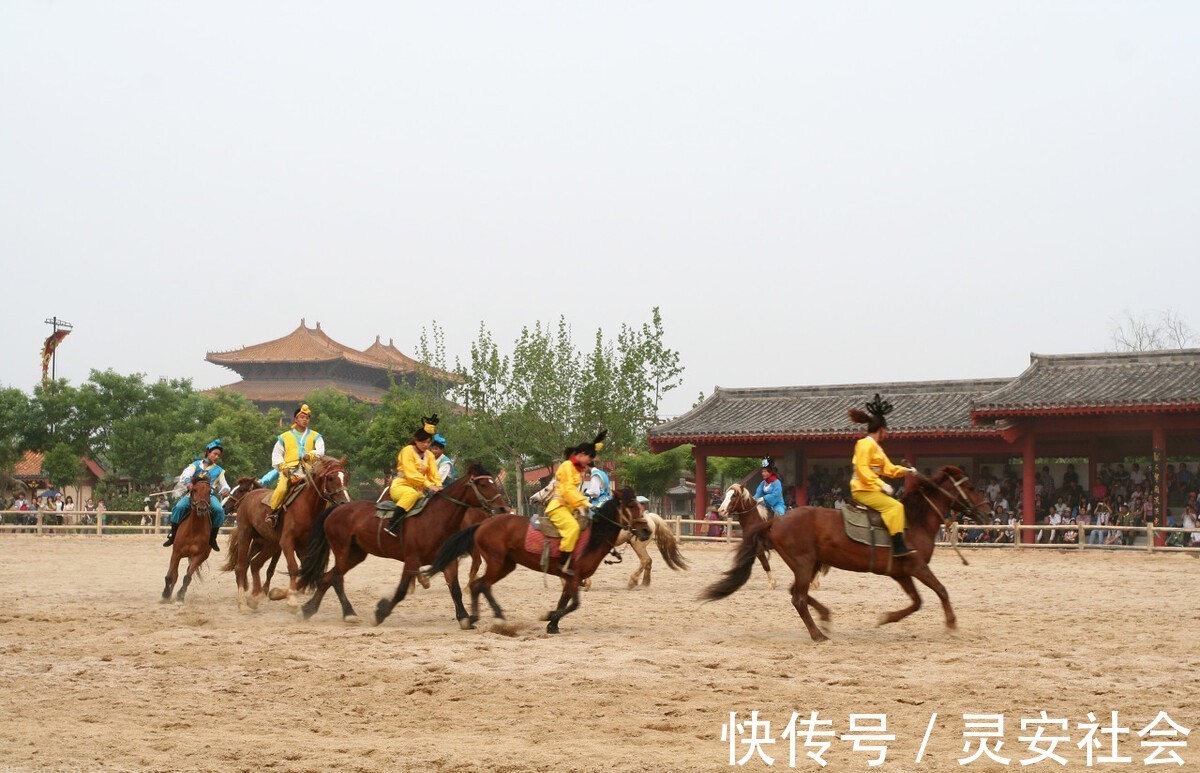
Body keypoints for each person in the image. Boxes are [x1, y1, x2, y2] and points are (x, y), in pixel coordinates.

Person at [848, 394, 919, 558]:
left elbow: (888, 468)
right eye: (886, 430)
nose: (887, 434)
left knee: (897, 505)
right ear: (880, 430)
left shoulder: (877, 448)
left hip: (871, 489)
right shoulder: (864, 444)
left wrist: (906, 471)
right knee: (896, 507)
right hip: (863, 489)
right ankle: (898, 547)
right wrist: (881, 484)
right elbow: (862, 469)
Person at [544, 430, 605, 576]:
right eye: (589, 458)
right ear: (582, 454)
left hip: (569, 508)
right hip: (558, 506)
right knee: (572, 528)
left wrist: (582, 505)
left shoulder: (576, 470)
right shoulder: (566, 466)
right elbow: (568, 490)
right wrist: (584, 502)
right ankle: (561, 565)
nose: (589, 462)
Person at [163, 439, 231, 551]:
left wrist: (225, 490)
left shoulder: (219, 471)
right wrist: (188, 483)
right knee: (179, 507)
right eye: (215, 454)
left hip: (209, 496)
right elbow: (185, 475)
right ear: (208, 452)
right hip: (193, 494)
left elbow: (225, 486)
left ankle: (212, 538)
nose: (217, 457)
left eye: (219, 455)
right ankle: (173, 535)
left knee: (219, 510)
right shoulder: (195, 465)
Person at [264, 404, 325, 527]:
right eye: (302, 417)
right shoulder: (284, 437)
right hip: (290, 471)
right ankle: (273, 513)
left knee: (324, 490)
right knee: (281, 489)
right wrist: (283, 467)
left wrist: (311, 455)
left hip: (310, 471)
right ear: (296, 419)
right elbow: (276, 454)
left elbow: (321, 450)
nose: (305, 420)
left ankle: (326, 517)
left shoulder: (315, 436)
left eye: (307, 418)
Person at [385, 415, 444, 536]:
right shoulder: (407, 451)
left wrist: (438, 485)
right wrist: (429, 485)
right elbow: (411, 474)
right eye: (423, 442)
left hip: (419, 490)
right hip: (401, 486)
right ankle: (392, 524)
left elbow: (434, 474)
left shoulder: (430, 455)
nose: (426, 445)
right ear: (416, 440)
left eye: (428, 442)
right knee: (411, 494)